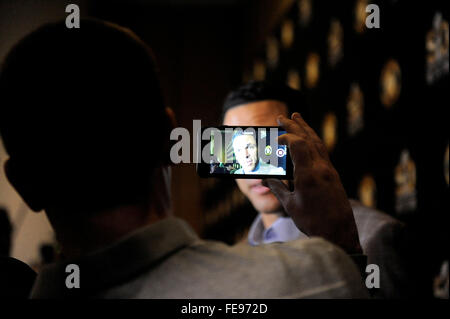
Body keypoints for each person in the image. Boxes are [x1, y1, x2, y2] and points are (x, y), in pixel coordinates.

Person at [0, 19, 367, 298]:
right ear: (169, 137)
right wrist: (340, 250)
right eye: (241, 146)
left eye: (265, 141)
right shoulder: (316, 275)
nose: (255, 161)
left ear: (23, 184)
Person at [222, 81, 416, 298]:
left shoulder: (375, 236)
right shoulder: (236, 254)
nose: (253, 165)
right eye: (237, 147)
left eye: (269, 142)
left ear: (307, 139)